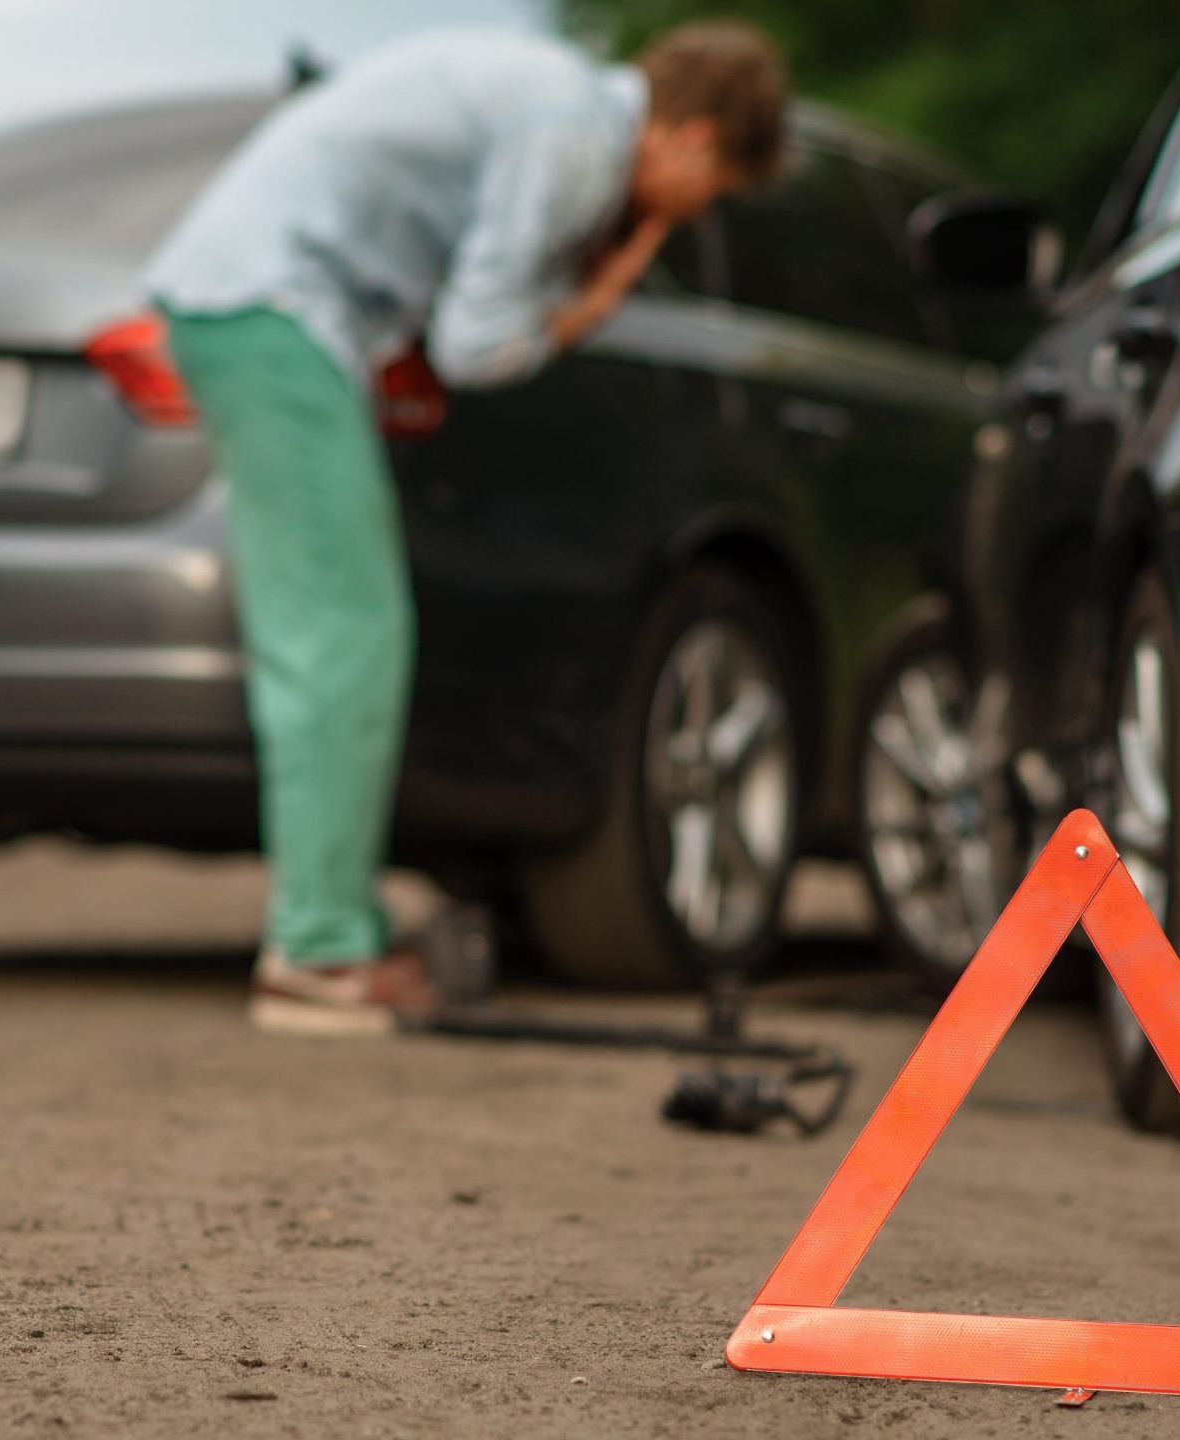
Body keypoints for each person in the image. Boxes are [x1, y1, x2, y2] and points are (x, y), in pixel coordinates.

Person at [144, 23, 790, 1035]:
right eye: (714, 191)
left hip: (249, 302)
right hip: (273, 309)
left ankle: (330, 926)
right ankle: (316, 955)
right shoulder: (575, 134)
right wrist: (590, 305)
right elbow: (475, 342)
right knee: (344, 634)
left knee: (317, 631)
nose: (697, 211)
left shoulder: (555, 96)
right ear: (695, 141)